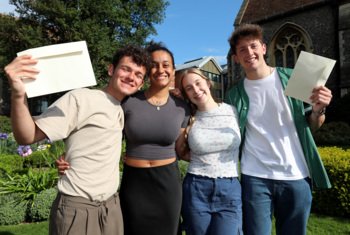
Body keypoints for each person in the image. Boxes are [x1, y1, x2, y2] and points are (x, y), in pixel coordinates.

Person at [4, 44, 151, 235]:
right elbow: (28, 135)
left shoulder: (121, 108)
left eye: (138, 75)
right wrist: (18, 94)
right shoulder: (81, 97)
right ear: (111, 69)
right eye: (126, 69)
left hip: (111, 206)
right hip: (78, 207)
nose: (131, 77)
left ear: (141, 84)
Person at [225, 23, 332, 235]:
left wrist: (319, 111)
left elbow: (313, 126)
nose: (249, 53)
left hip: (296, 174)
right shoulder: (233, 94)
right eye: (242, 50)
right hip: (254, 177)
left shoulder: (294, 76)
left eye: (253, 46)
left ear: (264, 48)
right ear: (236, 58)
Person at [119, 42, 190, 235]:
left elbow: (182, 150)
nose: (160, 70)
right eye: (154, 64)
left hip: (167, 184)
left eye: (166, 65)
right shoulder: (128, 101)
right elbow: (106, 136)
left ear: (173, 70)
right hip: (134, 183)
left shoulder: (182, 107)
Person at [178, 68, 242, 235]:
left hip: (229, 188)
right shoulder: (189, 118)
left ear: (207, 82)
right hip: (197, 188)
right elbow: (180, 150)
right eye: (189, 88)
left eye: (198, 83)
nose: (196, 90)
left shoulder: (233, 111)